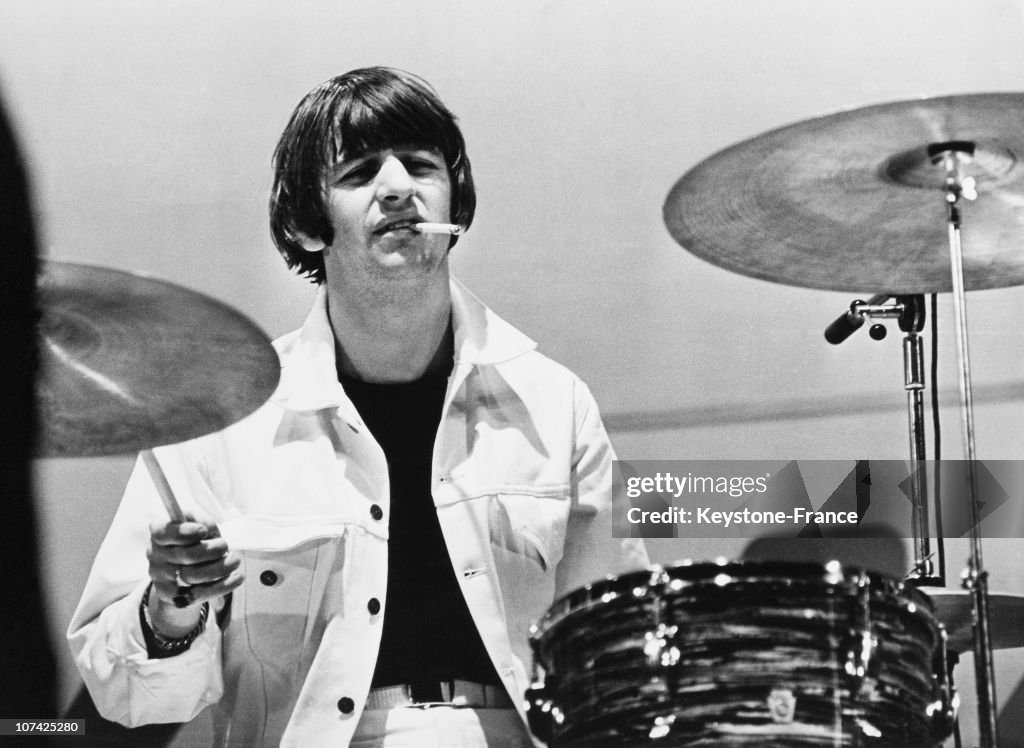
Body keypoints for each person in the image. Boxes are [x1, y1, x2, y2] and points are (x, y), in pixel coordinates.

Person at [68, 66, 647, 747]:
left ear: (453, 203)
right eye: (362, 171)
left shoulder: (556, 402)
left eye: (423, 166)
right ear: (309, 225)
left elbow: (622, 647)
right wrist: (170, 610)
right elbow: (120, 697)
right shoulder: (218, 425)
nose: (399, 186)